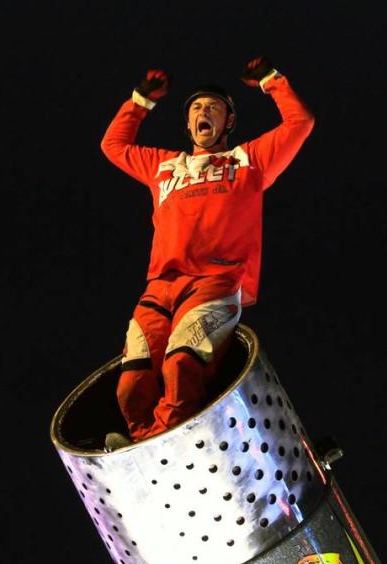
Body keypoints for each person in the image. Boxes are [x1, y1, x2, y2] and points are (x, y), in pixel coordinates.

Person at [100, 55, 314, 451]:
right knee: (133, 380)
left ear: (228, 123)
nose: (204, 113)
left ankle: (168, 443)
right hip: (161, 285)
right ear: (187, 124)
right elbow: (113, 145)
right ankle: (143, 442)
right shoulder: (164, 166)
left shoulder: (248, 161)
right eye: (197, 108)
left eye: (214, 108)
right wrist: (140, 102)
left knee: (181, 365)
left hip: (216, 282)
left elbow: (300, 124)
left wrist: (272, 80)